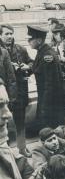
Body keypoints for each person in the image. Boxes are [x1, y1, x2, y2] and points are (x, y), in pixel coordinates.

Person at [0, 23, 32, 157]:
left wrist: (27, 67)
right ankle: (5, 150)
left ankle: (22, 148)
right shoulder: (1, 52)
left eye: (11, 33)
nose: (9, 36)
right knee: (3, 122)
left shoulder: (20, 49)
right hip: (3, 94)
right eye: (6, 34)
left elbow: (31, 63)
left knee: (20, 121)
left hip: (19, 91)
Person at [27, 25, 65, 128]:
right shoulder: (42, 52)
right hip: (47, 98)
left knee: (50, 127)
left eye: (31, 39)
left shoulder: (47, 56)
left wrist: (44, 106)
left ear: (39, 40)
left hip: (50, 100)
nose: (29, 41)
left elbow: (50, 83)